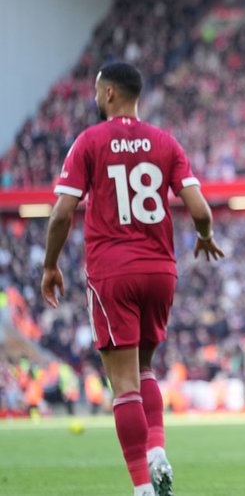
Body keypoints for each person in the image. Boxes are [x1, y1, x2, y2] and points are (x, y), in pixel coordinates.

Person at [40, 61, 224, 496]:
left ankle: (142, 488)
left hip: (113, 271)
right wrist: (204, 237)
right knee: (144, 369)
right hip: (160, 271)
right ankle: (157, 452)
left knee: (123, 385)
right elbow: (200, 210)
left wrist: (50, 265)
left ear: (108, 94)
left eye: (96, 91)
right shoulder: (165, 142)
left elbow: (62, 214)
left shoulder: (89, 141)